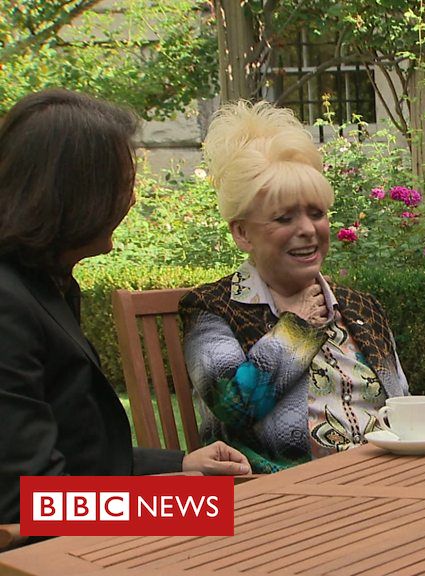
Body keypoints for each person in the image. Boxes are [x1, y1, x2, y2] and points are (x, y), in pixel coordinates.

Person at [0, 89, 251, 525]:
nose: (132, 200)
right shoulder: (6, 305)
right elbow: (27, 504)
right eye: (121, 185)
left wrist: (180, 464)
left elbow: (83, 456)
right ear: (74, 193)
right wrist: (188, 507)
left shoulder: (42, 283)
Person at [179, 101, 410, 474]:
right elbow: (234, 407)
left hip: (385, 481)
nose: (307, 229)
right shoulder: (211, 308)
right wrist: (296, 330)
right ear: (242, 233)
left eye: (316, 214)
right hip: (281, 495)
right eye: (284, 217)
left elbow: (402, 403)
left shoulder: (360, 308)